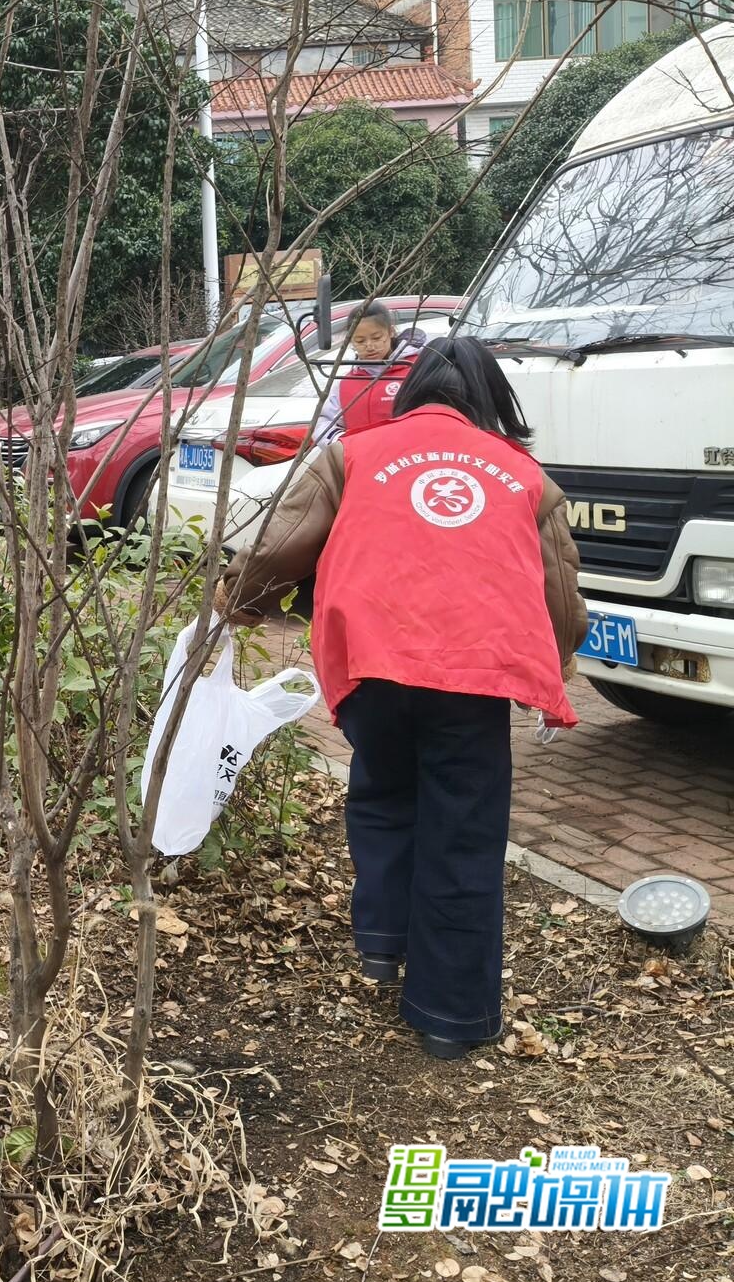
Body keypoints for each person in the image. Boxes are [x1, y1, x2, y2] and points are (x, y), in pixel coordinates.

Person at [218, 338, 586, 1061]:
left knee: (384, 794)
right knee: (463, 831)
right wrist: (563, 655)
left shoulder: (351, 455)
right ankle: (449, 1017)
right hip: (473, 680)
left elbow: (278, 546)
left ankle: (383, 946)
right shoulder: (524, 478)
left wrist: (236, 605)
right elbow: (559, 590)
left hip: (372, 669)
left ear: (411, 390)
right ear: (491, 401)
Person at [311, 301, 426, 445]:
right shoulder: (346, 383)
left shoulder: (418, 369)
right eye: (360, 341)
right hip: (362, 462)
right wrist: (344, 443)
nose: (370, 346)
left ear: (391, 332)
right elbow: (323, 424)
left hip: (412, 459)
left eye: (377, 338)